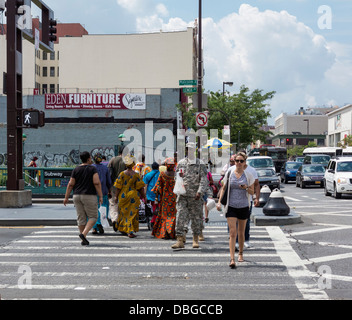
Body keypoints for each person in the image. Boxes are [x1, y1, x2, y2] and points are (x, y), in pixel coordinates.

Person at [217, 152, 255, 269]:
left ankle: (241, 253)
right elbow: (223, 188)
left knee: (241, 232)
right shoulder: (229, 173)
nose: (238, 163)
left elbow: (252, 192)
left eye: (241, 161)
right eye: (236, 161)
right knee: (233, 232)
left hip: (244, 206)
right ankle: (232, 258)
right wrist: (219, 202)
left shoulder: (248, 175)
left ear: (245, 163)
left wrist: (246, 188)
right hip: (231, 206)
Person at [172, 143, 208, 249]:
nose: (190, 151)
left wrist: (200, 192)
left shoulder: (200, 164)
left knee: (196, 218)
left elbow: (203, 179)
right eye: (188, 149)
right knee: (180, 217)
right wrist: (179, 176)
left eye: (191, 149)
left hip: (195, 196)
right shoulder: (181, 163)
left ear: (195, 151)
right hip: (182, 195)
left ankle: (195, 238)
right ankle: (180, 239)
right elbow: (176, 177)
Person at [63, 151, 103, 246]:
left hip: (77, 195)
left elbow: (70, 184)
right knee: (93, 216)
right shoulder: (92, 169)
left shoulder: (76, 169)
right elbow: (96, 182)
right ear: (89, 158)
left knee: (81, 218)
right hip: (89, 195)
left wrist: (66, 197)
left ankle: (83, 239)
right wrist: (100, 195)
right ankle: (83, 235)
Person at [114, 155, 146, 238]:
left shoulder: (122, 174)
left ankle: (124, 229)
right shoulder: (136, 175)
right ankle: (130, 231)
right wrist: (144, 197)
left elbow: (118, 187)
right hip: (133, 196)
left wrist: (116, 197)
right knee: (132, 214)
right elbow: (140, 188)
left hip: (123, 196)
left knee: (124, 213)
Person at [152, 158, 177, 239]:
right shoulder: (176, 175)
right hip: (174, 198)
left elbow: (158, 187)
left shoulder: (163, 174)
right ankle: (171, 232)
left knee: (165, 215)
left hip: (165, 199)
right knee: (173, 216)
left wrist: (156, 198)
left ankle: (164, 233)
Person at [92, 153, 112, 234]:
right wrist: (109, 191)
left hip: (93, 192)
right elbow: (108, 181)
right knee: (103, 208)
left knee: (94, 209)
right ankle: (101, 222)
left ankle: (94, 227)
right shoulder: (105, 168)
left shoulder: (91, 168)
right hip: (103, 191)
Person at [108, 148, 126, 230]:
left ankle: (114, 219)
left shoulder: (113, 159)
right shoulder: (127, 161)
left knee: (113, 203)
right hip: (124, 185)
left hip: (114, 185)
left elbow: (109, 173)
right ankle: (121, 221)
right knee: (123, 203)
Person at [143, 162, 160, 227]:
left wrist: (145, 196)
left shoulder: (147, 175)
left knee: (153, 207)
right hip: (158, 193)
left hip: (150, 194)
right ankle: (153, 221)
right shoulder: (161, 174)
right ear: (158, 167)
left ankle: (153, 220)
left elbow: (145, 186)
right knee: (157, 207)